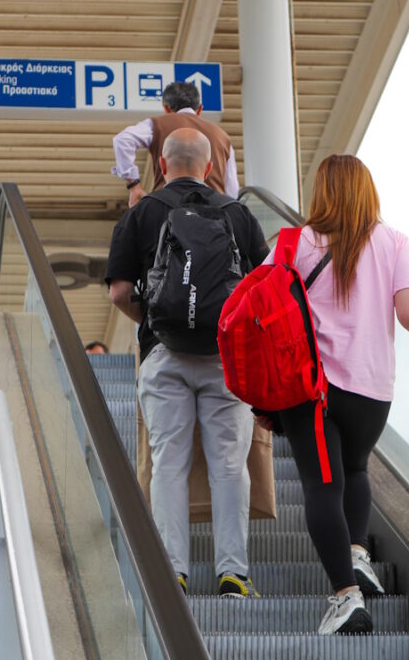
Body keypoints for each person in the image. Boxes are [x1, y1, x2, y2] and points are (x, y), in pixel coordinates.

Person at [259, 154, 409, 634]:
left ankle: (346, 597)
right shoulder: (394, 242)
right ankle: (357, 552)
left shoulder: (296, 243)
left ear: (322, 192)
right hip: (372, 391)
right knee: (355, 469)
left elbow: (260, 308)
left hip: (313, 390)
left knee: (322, 486)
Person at [105, 128, 269, 597]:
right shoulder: (237, 213)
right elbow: (263, 288)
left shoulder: (141, 213)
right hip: (225, 361)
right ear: (210, 167)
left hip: (163, 356)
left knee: (169, 463)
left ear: (161, 165)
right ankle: (233, 574)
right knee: (229, 466)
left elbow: (119, 292)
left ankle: (171, 574)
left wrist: (156, 322)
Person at [111, 81, 240, 208]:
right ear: (200, 109)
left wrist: (134, 185)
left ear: (166, 108)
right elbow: (232, 191)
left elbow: (123, 140)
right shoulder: (222, 136)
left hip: (167, 210)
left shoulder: (157, 125)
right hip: (213, 213)